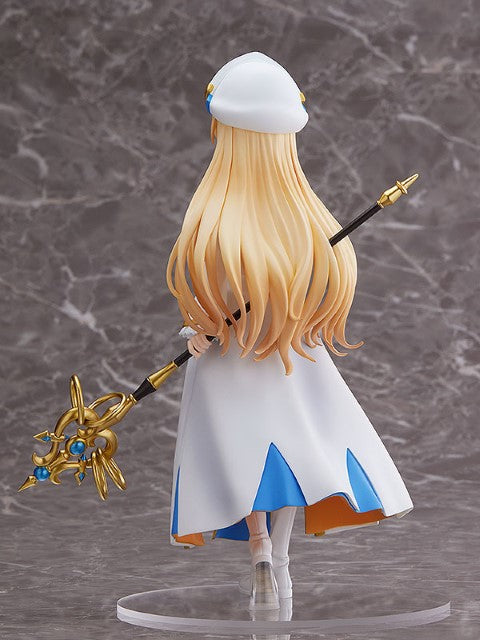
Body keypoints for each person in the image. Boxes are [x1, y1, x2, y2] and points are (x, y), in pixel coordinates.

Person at [165, 52, 413, 610]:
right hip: (283, 357)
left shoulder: (219, 218)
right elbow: (214, 295)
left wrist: (199, 332)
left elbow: (209, 296)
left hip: (244, 358)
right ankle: (275, 556)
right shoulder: (294, 220)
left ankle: (263, 551)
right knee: (291, 456)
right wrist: (204, 327)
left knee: (249, 456)